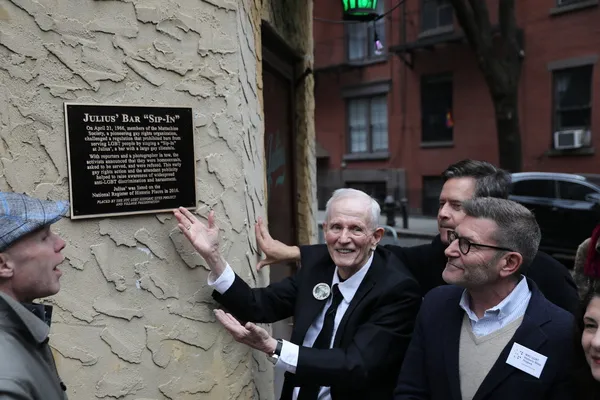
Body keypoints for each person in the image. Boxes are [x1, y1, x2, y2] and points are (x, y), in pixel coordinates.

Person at [173, 188, 421, 400]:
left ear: (375, 237)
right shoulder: (318, 265)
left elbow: (355, 364)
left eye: (356, 229)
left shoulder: (396, 290)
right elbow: (258, 305)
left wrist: (273, 347)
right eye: (336, 227)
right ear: (325, 230)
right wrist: (212, 256)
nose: (344, 239)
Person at [255, 159, 580, 315]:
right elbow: (369, 251)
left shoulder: (548, 277)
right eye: (440, 204)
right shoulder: (431, 258)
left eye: (456, 206)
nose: (442, 214)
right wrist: (295, 253)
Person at [394, 197, 576, 400]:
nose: (449, 250)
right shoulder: (435, 304)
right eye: (455, 237)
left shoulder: (561, 332)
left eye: (467, 244)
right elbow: (411, 391)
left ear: (509, 263)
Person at [0, 192, 69, 399]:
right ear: (3, 265)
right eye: (44, 237)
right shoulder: (7, 381)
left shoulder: (18, 330)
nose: (60, 243)